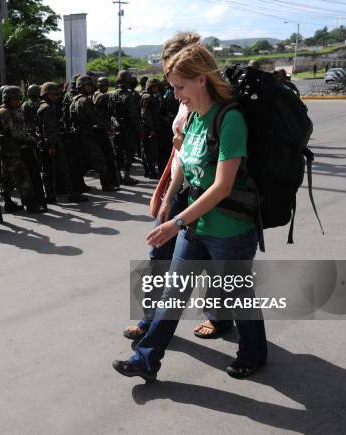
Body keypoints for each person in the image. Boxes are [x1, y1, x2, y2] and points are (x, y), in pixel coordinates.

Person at [113, 43, 267, 381]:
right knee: (173, 291)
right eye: (172, 87)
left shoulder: (230, 119)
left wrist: (177, 222)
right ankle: (145, 360)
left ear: (201, 79)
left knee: (237, 294)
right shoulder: (195, 117)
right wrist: (169, 198)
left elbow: (222, 185)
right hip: (195, 225)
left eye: (180, 86)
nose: (176, 94)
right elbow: (183, 161)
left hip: (229, 229)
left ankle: (254, 353)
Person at [123, 31, 201, 342]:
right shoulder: (184, 98)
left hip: (203, 193)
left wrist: (172, 196)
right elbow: (182, 152)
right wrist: (169, 194)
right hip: (179, 187)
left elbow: (194, 154)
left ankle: (221, 319)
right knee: (159, 257)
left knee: (213, 264)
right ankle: (150, 323)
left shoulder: (211, 101)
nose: (171, 81)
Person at [0, 86, 45, 213]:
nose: (18, 101)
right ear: (7, 99)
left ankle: (8, 203)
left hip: (13, 150)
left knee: (8, 179)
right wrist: (31, 139)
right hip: (11, 151)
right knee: (22, 179)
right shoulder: (4, 113)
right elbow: (16, 134)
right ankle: (30, 205)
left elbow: (22, 128)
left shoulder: (14, 110)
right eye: (15, 99)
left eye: (19, 98)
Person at [37, 82, 87, 203]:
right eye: (54, 94)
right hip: (52, 143)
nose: (56, 96)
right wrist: (52, 145)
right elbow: (48, 129)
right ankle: (71, 194)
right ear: (47, 94)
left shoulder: (43, 106)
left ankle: (50, 195)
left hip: (47, 143)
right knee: (63, 169)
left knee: (48, 171)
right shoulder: (47, 108)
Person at [70, 75, 118, 192]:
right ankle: (106, 185)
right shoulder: (84, 101)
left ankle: (79, 185)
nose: (90, 87)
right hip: (87, 135)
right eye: (88, 85)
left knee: (84, 162)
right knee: (100, 159)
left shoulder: (75, 99)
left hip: (79, 135)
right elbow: (94, 117)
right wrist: (108, 127)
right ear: (81, 86)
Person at [110, 70, 141, 185]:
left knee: (118, 152)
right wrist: (139, 131)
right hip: (129, 128)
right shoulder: (131, 95)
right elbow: (134, 116)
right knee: (129, 152)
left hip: (117, 127)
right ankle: (126, 176)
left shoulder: (113, 94)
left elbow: (110, 112)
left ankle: (118, 176)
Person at [93, 76, 121, 188]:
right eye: (105, 85)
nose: (106, 87)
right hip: (101, 130)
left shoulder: (95, 95)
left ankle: (110, 182)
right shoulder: (103, 97)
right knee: (108, 156)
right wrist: (110, 127)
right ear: (100, 86)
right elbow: (104, 115)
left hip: (99, 129)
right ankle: (107, 183)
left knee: (106, 157)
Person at [140, 78, 162, 179]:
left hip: (149, 127)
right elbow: (145, 115)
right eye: (154, 87)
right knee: (149, 151)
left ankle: (149, 171)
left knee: (148, 150)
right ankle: (151, 172)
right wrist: (151, 129)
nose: (156, 88)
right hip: (148, 129)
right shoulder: (147, 98)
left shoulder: (151, 96)